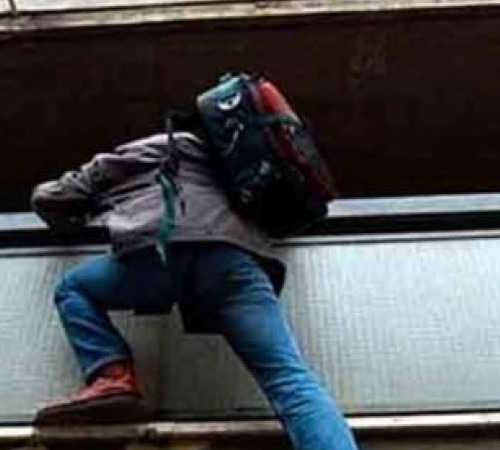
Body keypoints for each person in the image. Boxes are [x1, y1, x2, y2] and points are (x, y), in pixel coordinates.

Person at [30, 117, 360, 450]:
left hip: (162, 254)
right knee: (290, 378)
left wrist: (79, 218)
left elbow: (52, 197)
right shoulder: (231, 166)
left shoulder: (145, 149)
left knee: (73, 289)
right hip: (235, 265)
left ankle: (113, 376)